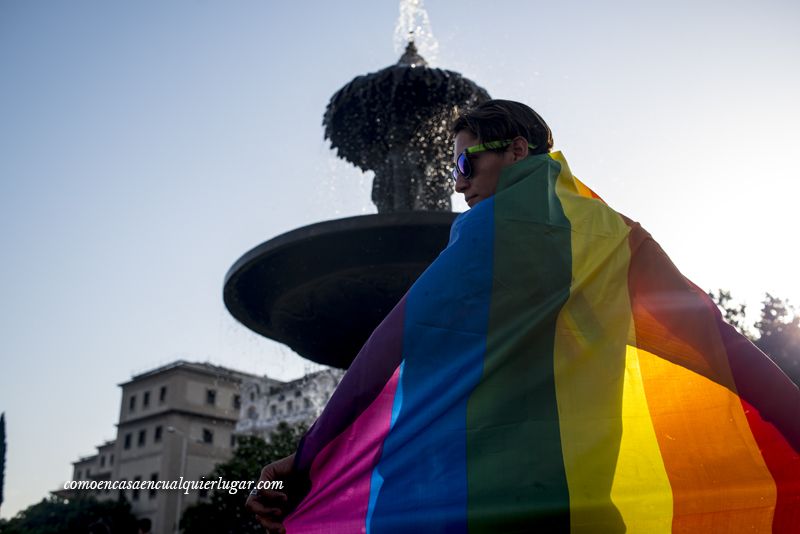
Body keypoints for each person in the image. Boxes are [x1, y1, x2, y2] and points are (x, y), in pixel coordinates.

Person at [248, 100, 800, 532]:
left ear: (515, 150)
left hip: (472, 505)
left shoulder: (487, 231)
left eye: (467, 163)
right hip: (583, 508)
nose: (459, 183)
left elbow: (385, 354)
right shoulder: (618, 238)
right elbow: (718, 345)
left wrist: (305, 459)